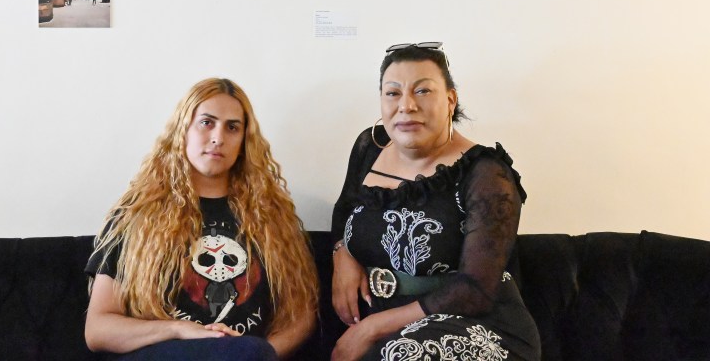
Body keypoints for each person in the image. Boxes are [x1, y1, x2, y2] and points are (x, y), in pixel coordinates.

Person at [330, 43, 541, 361]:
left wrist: (371, 329)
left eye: (423, 91)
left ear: (450, 100)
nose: (407, 105)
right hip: (385, 321)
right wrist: (342, 255)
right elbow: (345, 210)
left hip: (476, 325)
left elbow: (475, 291)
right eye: (393, 93)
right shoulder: (369, 147)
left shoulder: (486, 173)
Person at [85, 78, 318, 360]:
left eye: (232, 127)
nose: (218, 137)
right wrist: (178, 330)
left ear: (244, 141)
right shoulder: (136, 214)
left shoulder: (273, 216)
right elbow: (97, 330)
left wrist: (257, 353)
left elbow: (301, 317)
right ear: (183, 130)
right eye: (207, 122)